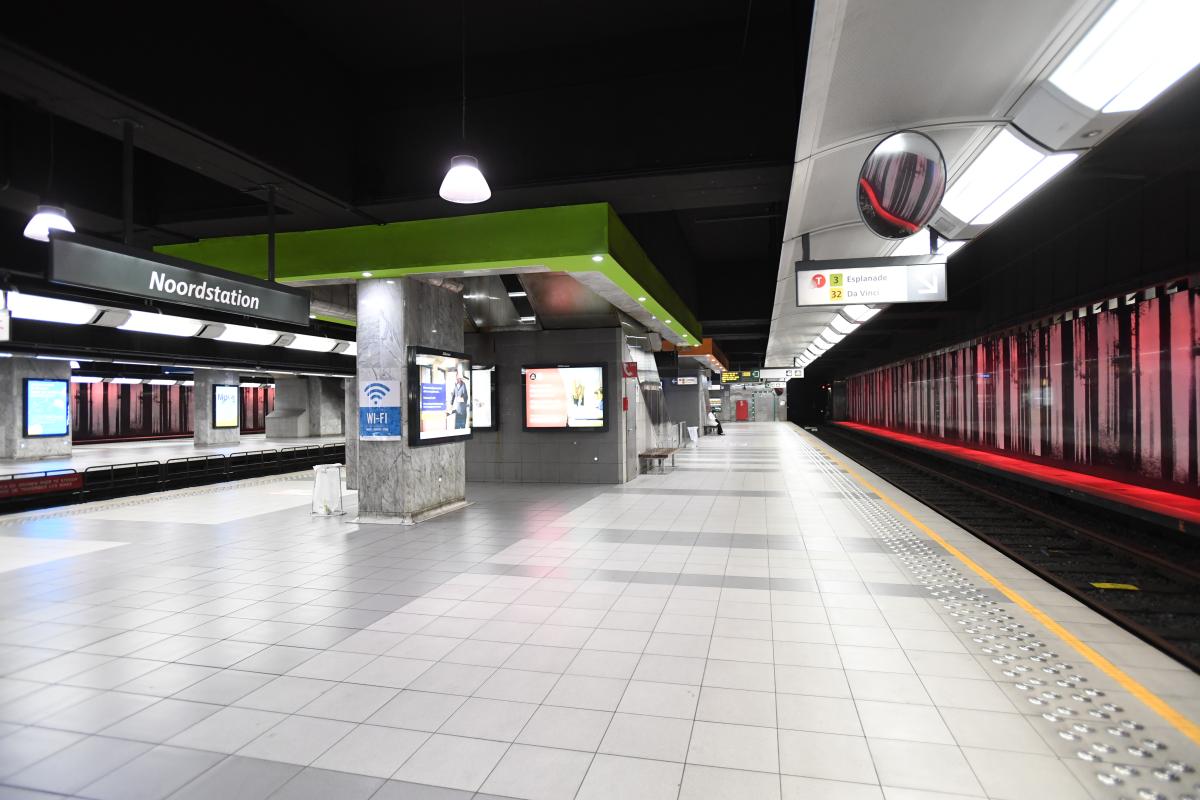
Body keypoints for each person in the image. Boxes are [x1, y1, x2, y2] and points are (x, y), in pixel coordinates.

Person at [447, 364, 469, 429]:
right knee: (456, 427)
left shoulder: (463, 385)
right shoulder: (455, 385)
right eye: (456, 377)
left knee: (462, 427)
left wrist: (460, 399)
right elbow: (453, 395)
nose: (457, 379)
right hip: (457, 410)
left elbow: (466, 397)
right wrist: (450, 405)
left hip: (462, 411)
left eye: (458, 378)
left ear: (460, 378)